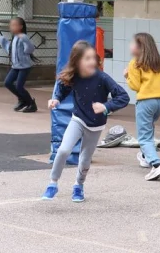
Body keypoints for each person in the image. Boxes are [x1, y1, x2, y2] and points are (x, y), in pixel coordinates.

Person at [43, 41, 129, 202]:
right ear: (77, 62)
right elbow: (62, 88)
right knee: (63, 150)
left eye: (93, 58)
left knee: (85, 158)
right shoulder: (74, 77)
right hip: (78, 120)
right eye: (87, 58)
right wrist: (55, 99)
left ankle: (78, 186)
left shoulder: (102, 78)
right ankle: (52, 184)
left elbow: (123, 97)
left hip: (96, 125)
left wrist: (105, 106)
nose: (92, 62)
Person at [125, 32, 160, 181]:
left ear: (140, 48)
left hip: (146, 101)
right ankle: (146, 157)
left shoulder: (135, 63)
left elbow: (135, 86)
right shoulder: (158, 62)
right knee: (149, 128)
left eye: (133, 43)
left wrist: (127, 76)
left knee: (144, 137)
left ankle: (156, 164)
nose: (130, 46)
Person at [0, 17, 37, 113]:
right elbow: (11, 51)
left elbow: (30, 49)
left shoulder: (23, 37)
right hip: (15, 66)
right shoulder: (15, 38)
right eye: (11, 25)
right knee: (7, 83)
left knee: (19, 86)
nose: (11, 27)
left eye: (14, 25)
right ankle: (22, 100)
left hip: (24, 67)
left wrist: (25, 40)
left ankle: (31, 103)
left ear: (20, 27)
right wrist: (4, 43)